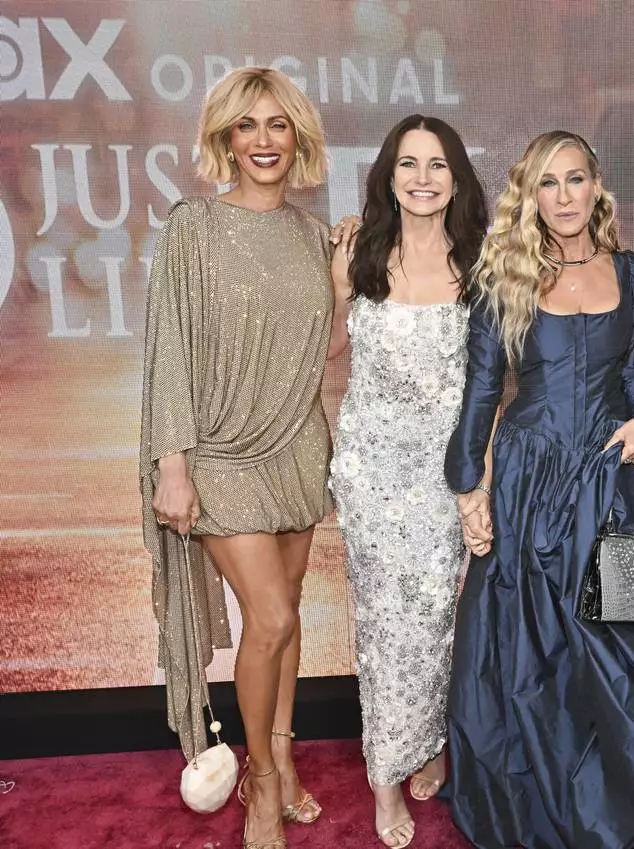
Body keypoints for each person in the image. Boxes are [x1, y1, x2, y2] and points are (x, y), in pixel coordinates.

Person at [443, 130, 634, 849]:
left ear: (596, 186)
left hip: (611, 477)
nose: (565, 195)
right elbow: (482, 389)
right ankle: (541, 801)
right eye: (550, 182)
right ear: (531, 194)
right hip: (530, 479)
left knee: (622, 631)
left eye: (576, 179)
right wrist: (466, 487)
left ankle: (620, 788)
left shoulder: (630, 272)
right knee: (531, 645)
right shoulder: (502, 272)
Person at [140, 66, 333, 849]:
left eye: (277, 125)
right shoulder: (193, 225)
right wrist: (173, 463)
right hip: (220, 452)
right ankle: (259, 778)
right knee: (274, 615)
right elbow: (170, 352)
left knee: (284, 626)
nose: (263, 141)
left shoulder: (314, 235)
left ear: (298, 139)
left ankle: (282, 762)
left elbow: (333, 353)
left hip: (297, 444)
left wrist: (347, 290)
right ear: (225, 138)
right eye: (247, 127)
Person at [327, 114, 487, 849]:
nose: (423, 177)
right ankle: (384, 775)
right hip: (371, 472)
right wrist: (332, 285)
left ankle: (433, 738)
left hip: (445, 474)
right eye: (409, 163)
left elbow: (493, 379)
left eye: (438, 165)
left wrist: (477, 471)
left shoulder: (480, 261)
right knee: (387, 625)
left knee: (440, 621)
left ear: (456, 178)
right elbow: (331, 353)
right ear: (389, 175)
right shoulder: (359, 252)